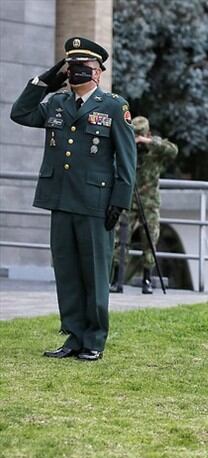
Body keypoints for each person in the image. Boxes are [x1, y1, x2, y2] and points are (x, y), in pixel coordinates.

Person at [9, 37, 136, 361]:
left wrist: (120, 202)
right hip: (60, 199)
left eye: (84, 68)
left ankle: (94, 340)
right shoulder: (56, 103)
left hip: (96, 202)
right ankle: (73, 337)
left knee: (94, 272)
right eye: (72, 68)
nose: (77, 73)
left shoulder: (112, 106)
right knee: (67, 272)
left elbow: (126, 158)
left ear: (98, 73)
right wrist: (42, 82)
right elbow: (20, 113)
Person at [112, 116, 178, 294]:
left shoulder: (155, 149)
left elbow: (173, 151)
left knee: (149, 240)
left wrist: (149, 142)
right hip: (128, 201)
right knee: (120, 241)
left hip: (149, 203)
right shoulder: (126, 148)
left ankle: (147, 280)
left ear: (147, 133)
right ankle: (116, 280)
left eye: (140, 135)